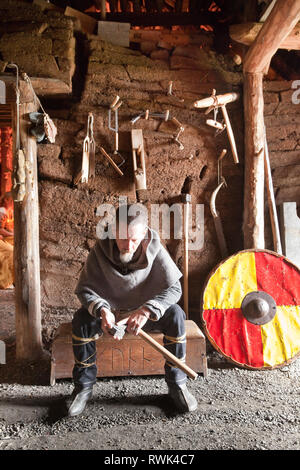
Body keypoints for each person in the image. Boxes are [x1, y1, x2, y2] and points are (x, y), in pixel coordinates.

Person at [67, 203, 197, 417]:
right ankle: (83, 387)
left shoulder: (154, 246)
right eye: (122, 238)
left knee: (175, 314)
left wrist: (146, 311)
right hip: (111, 316)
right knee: (81, 319)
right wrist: (102, 310)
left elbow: (174, 288)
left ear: (144, 233)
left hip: (142, 317)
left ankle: (177, 384)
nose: (127, 245)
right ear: (114, 231)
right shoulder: (101, 249)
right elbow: (84, 290)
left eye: (134, 239)